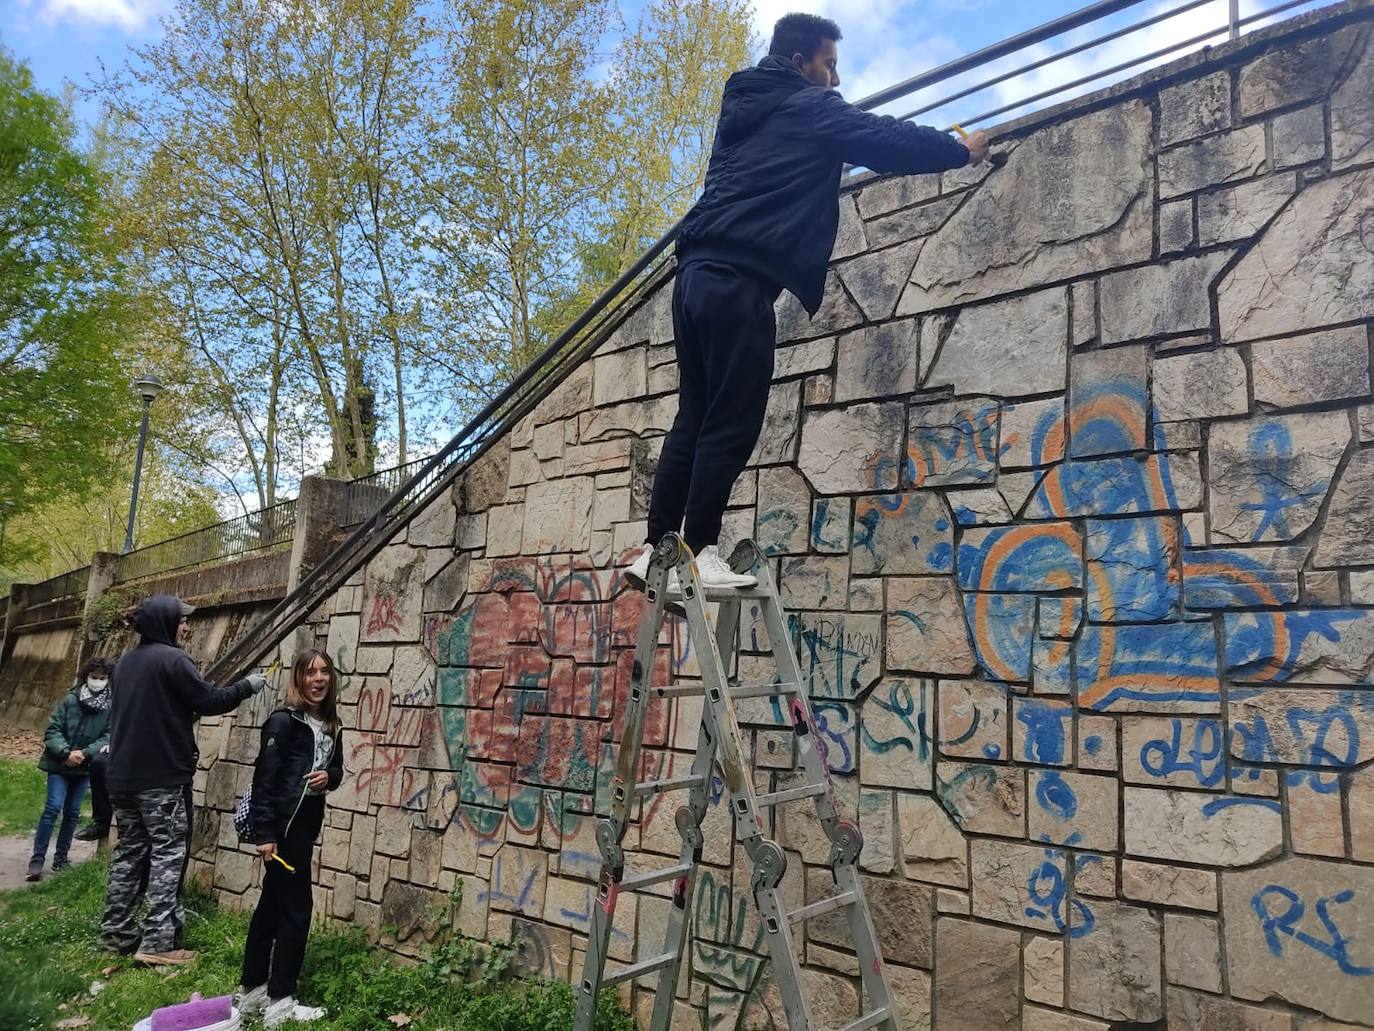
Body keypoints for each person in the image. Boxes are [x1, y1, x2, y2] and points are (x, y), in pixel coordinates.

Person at [626, 12, 989, 590]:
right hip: (739, 280)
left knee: (694, 418)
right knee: (732, 420)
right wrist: (959, 151)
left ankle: (656, 551)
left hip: (694, 278)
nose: (837, 80)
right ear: (802, 64)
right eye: (830, 65)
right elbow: (884, 138)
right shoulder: (805, 106)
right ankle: (698, 552)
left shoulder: (747, 110)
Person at [100, 594, 266, 965]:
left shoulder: (125, 664)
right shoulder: (173, 660)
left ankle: (117, 932)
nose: (187, 627)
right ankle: (158, 943)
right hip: (161, 777)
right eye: (182, 621)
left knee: (130, 853)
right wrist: (247, 686)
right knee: (167, 854)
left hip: (122, 778)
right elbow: (208, 700)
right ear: (165, 623)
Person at [233, 648, 343, 1027]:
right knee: (297, 911)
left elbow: (338, 769)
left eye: (324, 672)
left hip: (304, 830)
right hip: (282, 832)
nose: (318, 679)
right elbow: (264, 781)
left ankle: (251, 991)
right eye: (310, 672)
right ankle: (281, 1000)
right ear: (297, 678)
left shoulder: (329, 723)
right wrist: (265, 834)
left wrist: (330, 777)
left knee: (270, 908)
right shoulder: (283, 723)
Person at [26, 657, 115, 882]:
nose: (97, 681)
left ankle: (61, 858)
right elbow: (53, 729)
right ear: (86, 677)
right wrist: (66, 753)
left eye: (102, 678)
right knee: (53, 807)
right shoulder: (70, 701)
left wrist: (85, 754)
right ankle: (37, 860)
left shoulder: (110, 707)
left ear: (108, 680)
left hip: (85, 767)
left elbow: (108, 735)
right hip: (59, 764)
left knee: (73, 812)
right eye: (94, 677)